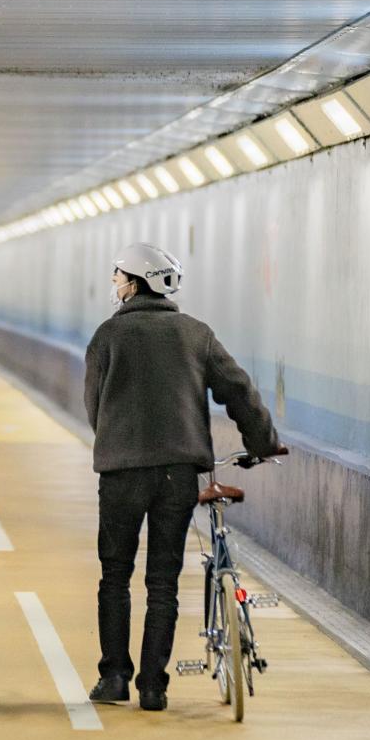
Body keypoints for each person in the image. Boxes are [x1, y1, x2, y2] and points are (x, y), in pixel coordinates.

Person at [82, 243, 285, 712]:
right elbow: (239, 390)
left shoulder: (107, 336)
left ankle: (114, 678)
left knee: (115, 575)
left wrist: (115, 441)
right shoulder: (197, 335)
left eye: (119, 277)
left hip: (120, 473)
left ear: (136, 283)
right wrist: (262, 442)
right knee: (163, 581)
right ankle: (154, 686)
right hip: (178, 473)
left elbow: (94, 405)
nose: (115, 284)